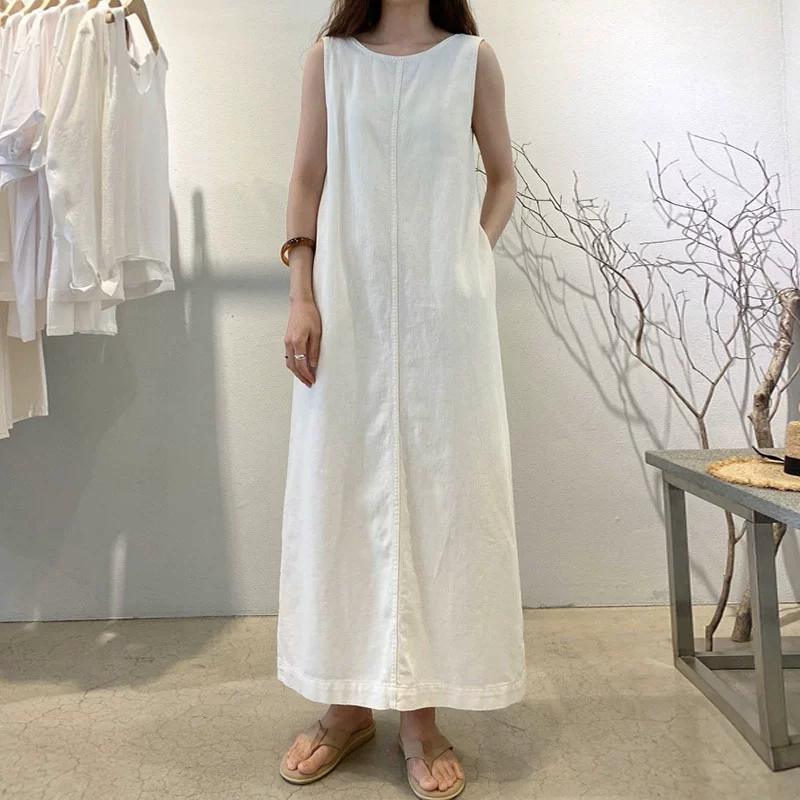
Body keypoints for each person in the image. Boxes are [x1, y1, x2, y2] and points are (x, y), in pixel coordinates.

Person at [278, 1, 525, 797]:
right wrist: (301, 297)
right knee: (340, 491)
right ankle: (346, 704)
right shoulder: (331, 60)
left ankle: (420, 715)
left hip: (444, 319)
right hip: (346, 310)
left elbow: (503, 176)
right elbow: (307, 179)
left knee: (443, 498)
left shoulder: (471, 61)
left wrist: (470, 259)